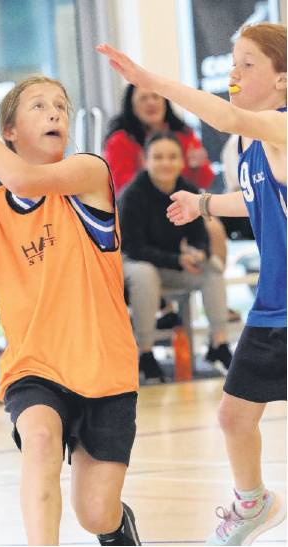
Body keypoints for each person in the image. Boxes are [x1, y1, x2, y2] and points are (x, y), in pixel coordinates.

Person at [0, 75, 141, 546]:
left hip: (105, 367)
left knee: (95, 514)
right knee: (39, 441)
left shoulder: (87, 174)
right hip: (34, 366)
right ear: (10, 130)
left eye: (61, 105)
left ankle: (117, 525)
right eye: (39, 106)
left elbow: (20, 176)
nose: (55, 112)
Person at [98, 21, 286, 545]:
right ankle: (254, 504)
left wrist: (149, 80)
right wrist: (204, 203)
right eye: (234, 62)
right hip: (274, 308)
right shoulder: (255, 148)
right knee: (233, 417)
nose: (235, 72)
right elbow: (250, 199)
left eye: (249, 64)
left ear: (282, 81)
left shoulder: (282, 126)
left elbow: (224, 114)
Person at [104, 83, 235, 324]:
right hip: (142, 213)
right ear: (131, 105)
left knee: (214, 227)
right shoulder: (120, 140)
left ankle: (216, 298)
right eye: (144, 98)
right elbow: (122, 189)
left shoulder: (183, 133)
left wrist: (196, 166)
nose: (151, 102)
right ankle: (163, 306)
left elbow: (201, 181)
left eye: (156, 96)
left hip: (180, 207)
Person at [119, 131, 232, 382]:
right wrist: (177, 260)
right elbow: (132, 247)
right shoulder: (133, 195)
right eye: (158, 157)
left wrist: (198, 253)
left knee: (211, 266)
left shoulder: (188, 190)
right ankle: (145, 353)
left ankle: (219, 344)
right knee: (145, 273)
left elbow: (199, 235)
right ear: (145, 161)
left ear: (181, 161)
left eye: (172, 157)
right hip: (134, 266)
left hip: (171, 264)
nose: (165, 163)